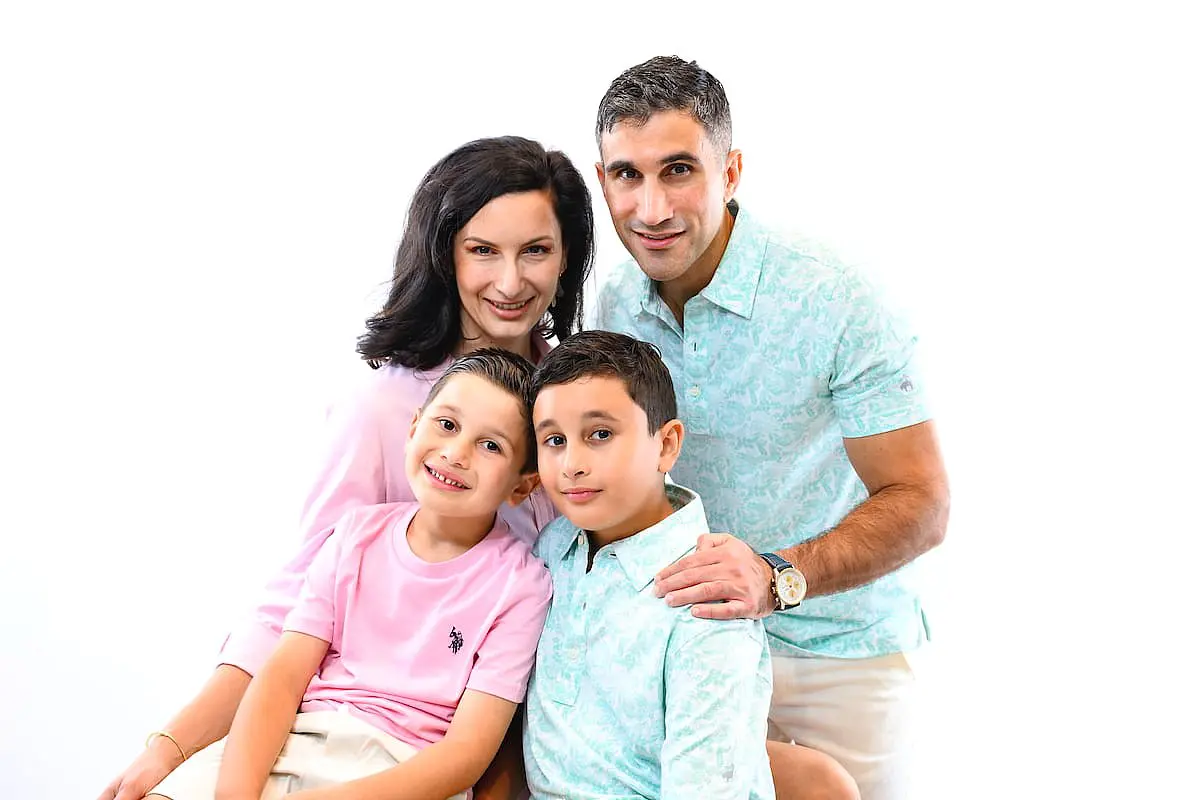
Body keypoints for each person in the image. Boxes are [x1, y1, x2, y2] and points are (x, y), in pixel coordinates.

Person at [99, 135, 594, 800]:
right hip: (345, 733)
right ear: (446, 255)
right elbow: (294, 610)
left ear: (567, 258)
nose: (510, 282)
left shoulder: (582, 408)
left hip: (493, 748)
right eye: (482, 250)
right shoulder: (386, 409)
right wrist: (173, 745)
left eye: (535, 250)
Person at [591, 56, 951, 800]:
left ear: (732, 171)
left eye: (679, 170)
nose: (652, 207)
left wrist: (777, 576)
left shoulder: (837, 296)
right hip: (692, 653)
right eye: (628, 175)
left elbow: (922, 500)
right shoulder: (615, 305)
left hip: (840, 653)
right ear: (603, 182)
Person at [147, 349, 552, 799]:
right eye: (447, 425)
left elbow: (467, 753)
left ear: (522, 485)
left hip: (404, 770)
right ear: (414, 426)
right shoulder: (354, 535)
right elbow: (281, 678)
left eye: (491, 445)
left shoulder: (522, 585)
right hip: (301, 737)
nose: (456, 454)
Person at [523, 330, 777, 800]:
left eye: (600, 434)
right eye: (554, 439)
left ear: (666, 445)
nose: (571, 464)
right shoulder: (552, 547)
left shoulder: (709, 598)